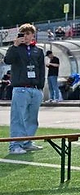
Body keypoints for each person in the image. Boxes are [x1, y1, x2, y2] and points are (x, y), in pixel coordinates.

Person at [4, 24, 46, 154]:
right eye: (24, 34)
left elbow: (42, 69)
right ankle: (15, 145)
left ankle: (27, 142)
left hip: (34, 88)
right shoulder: (16, 49)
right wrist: (14, 45)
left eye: (29, 34)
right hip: (20, 88)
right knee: (18, 117)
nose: (26, 37)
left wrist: (40, 87)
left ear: (33, 35)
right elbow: (7, 60)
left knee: (32, 118)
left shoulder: (38, 51)